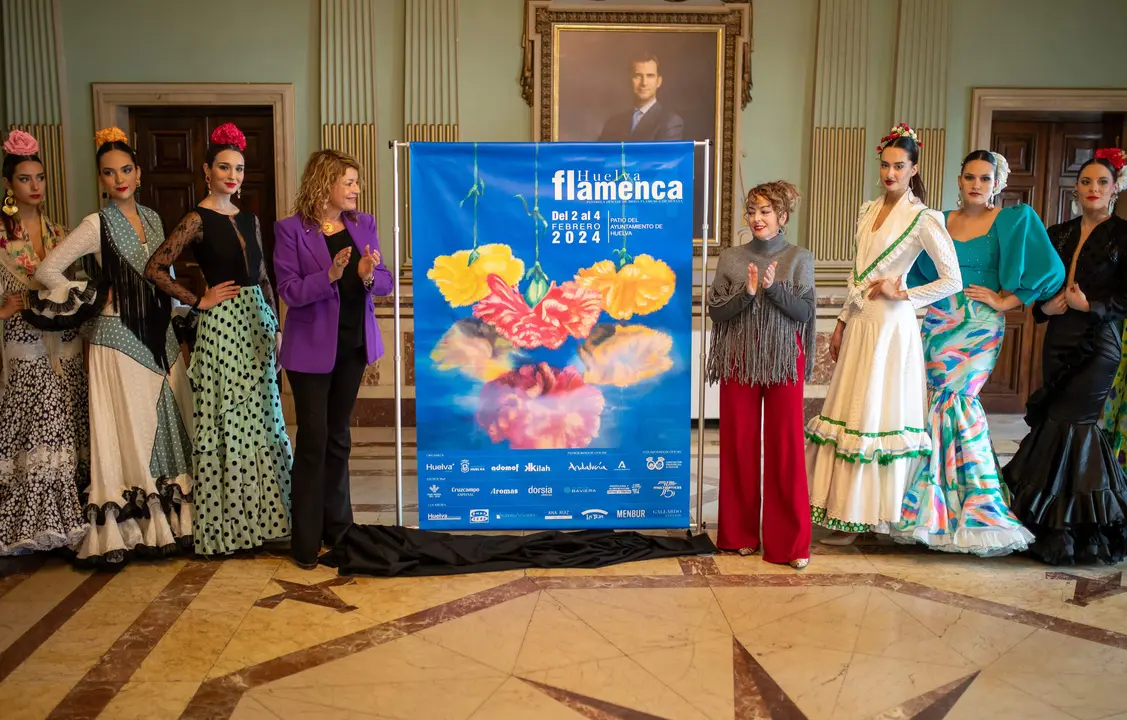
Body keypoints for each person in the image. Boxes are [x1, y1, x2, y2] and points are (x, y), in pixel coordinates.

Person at [34, 127, 195, 567]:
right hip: (116, 338)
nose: (119, 178)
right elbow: (48, 270)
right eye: (109, 173)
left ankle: (174, 524)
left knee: (168, 421)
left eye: (126, 169)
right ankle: (132, 529)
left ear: (139, 173)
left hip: (159, 335)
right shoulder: (95, 224)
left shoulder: (157, 219)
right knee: (132, 429)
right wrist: (90, 294)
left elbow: (167, 276)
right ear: (101, 179)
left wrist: (185, 319)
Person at [892, 150, 1065, 556]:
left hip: (982, 325)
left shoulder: (1013, 219)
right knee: (936, 402)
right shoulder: (937, 220)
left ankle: (977, 509)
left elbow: (1051, 269)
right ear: (959, 178)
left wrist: (1008, 300)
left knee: (960, 401)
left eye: (985, 179)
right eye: (970, 176)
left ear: (997, 184)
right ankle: (926, 509)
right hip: (940, 321)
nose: (976, 185)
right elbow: (915, 267)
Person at [806, 123, 962, 545]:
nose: (890, 173)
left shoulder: (924, 217)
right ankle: (844, 510)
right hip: (860, 322)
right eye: (885, 165)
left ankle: (880, 514)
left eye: (899, 166)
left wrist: (905, 291)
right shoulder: (866, 210)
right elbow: (856, 276)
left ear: (914, 169)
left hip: (893, 327)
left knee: (879, 412)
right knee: (852, 410)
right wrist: (839, 323)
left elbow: (952, 279)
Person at [144, 122, 293, 557]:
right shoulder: (196, 218)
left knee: (264, 420)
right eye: (224, 167)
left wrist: (277, 327)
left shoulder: (250, 218)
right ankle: (230, 528)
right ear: (207, 171)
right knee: (227, 424)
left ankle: (269, 522)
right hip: (222, 325)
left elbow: (263, 276)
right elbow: (155, 268)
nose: (233, 176)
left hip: (258, 325)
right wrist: (198, 299)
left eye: (240, 169)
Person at [1002, 147, 1127, 565]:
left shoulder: (1125, 235)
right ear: (1077, 189)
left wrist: (1090, 306)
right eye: (1087, 181)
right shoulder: (1056, 233)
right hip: (1058, 338)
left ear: (1115, 188)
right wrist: (1045, 308)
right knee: (1056, 421)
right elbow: (1037, 287)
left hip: (1099, 342)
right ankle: (1046, 522)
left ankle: (1076, 530)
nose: (1094, 189)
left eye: (1102, 182)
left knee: (1077, 424)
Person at [273, 149, 393, 568]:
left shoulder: (364, 225)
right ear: (325, 184)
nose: (356, 189)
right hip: (308, 353)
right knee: (313, 440)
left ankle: (338, 531)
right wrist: (329, 276)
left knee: (339, 438)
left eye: (356, 182)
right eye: (349, 182)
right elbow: (288, 290)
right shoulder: (290, 230)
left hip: (353, 347)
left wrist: (366, 273)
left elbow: (385, 283)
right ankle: (305, 541)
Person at [707, 180, 815, 569]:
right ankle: (738, 536)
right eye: (752, 211)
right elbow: (717, 312)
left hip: (785, 362)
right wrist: (748, 294)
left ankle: (790, 546)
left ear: (782, 217)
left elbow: (804, 314)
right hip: (739, 359)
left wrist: (772, 289)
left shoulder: (800, 257)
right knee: (738, 446)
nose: (756, 218)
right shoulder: (731, 258)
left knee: (786, 450)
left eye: (765, 211)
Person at [0, 129, 89, 555]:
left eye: (39, 178)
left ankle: (68, 517)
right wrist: (1, 308)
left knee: (66, 417)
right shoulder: (0, 238)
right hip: (24, 341)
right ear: (9, 186)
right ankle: (36, 522)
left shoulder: (61, 233)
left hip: (65, 340)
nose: (34, 186)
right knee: (40, 419)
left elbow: (77, 286)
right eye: (24, 179)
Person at [597, 52, 684, 142]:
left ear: (658, 82)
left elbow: (664, 156)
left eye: (650, 76)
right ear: (629, 80)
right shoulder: (613, 123)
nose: (644, 83)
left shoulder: (670, 122)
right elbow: (599, 155)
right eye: (638, 76)